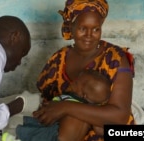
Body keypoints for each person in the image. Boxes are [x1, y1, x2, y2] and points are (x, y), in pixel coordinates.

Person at [32, 0, 135, 141]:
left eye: (95, 29)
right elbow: (48, 102)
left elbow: (120, 117)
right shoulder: (59, 59)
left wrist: (67, 107)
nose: (89, 35)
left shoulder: (114, 58)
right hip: (67, 131)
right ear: (71, 27)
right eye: (82, 28)